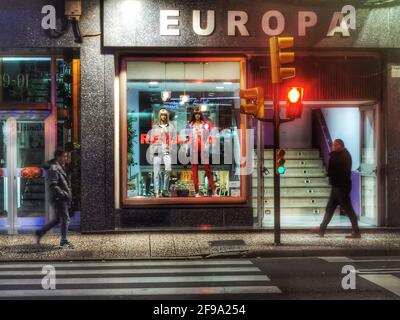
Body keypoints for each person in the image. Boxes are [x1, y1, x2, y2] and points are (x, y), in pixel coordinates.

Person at [312, 139, 361, 239]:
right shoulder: (341, 155)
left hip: (341, 187)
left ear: (340, 145)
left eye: (335, 145)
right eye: (333, 145)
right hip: (337, 187)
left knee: (348, 210)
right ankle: (322, 230)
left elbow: (335, 170)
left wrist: (332, 156)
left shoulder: (342, 156)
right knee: (330, 209)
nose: (332, 146)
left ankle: (356, 231)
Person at [35, 149, 74, 249]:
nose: (66, 158)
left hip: (59, 197)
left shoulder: (59, 167)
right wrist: (64, 194)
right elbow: (53, 184)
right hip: (58, 198)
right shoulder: (54, 168)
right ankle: (63, 242)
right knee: (65, 218)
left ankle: (40, 232)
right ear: (58, 157)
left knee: (57, 219)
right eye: (64, 156)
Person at [186, 108, 216, 197]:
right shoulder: (190, 125)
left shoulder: (205, 125)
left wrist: (208, 146)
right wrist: (187, 149)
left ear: (200, 115)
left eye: (199, 114)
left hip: (203, 148)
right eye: (196, 114)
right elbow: (188, 138)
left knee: (208, 170)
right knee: (194, 171)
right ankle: (196, 192)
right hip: (193, 148)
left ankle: (214, 191)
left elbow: (208, 136)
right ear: (194, 115)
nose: (197, 115)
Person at [149, 108, 176, 197]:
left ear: (167, 116)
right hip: (157, 150)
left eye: (165, 115)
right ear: (159, 116)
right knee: (156, 171)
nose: (163, 117)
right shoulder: (155, 127)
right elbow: (152, 140)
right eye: (162, 115)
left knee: (168, 169)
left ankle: (164, 189)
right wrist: (151, 153)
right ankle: (156, 191)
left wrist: (172, 148)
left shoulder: (171, 127)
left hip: (166, 150)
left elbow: (173, 139)